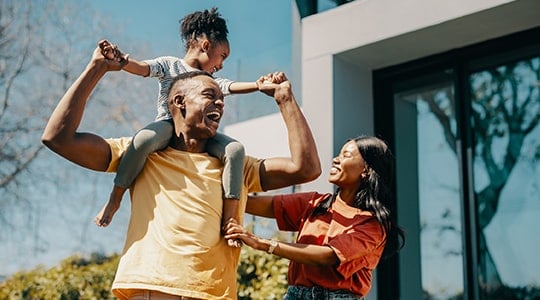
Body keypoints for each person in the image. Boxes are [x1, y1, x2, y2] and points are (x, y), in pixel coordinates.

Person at [41, 42, 320, 299]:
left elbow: (305, 169)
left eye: (221, 98)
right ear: (179, 103)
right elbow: (58, 138)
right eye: (210, 95)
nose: (220, 103)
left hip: (216, 293)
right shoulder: (142, 154)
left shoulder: (236, 165)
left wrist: (285, 100)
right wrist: (96, 68)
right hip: (154, 287)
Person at [94, 8, 261, 245]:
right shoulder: (170, 65)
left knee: (234, 150)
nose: (222, 64)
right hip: (169, 126)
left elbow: (229, 85)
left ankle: (230, 221)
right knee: (142, 140)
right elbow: (143, 68)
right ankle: (115, 199)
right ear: (205, 45)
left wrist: (258, 84)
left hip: (200, 133)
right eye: (222, 55)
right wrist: (122, 61)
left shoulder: (209, 81)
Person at [225, 136, 406, 299]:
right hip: (295, 295)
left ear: (366, 170)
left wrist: (262, 243)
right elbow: (248, 203)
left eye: (346, 156)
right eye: (338, 154)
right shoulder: (316, 203)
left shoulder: (372, 224)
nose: (336, 159)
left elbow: (326, 256)